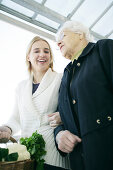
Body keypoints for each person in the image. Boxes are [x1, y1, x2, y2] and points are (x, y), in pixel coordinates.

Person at [0, 36, 70, 170]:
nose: (42, 54)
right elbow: (16, 118)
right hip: (26, 154)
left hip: (52, 154)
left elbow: (70, 108)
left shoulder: (60, 79)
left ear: (50, 57)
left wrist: (63, 116)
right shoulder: (21, 87)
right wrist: (6, 129)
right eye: (36, 51)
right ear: (28, 57)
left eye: (46, 51)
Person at [54, 20, 113, 170]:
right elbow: (58, 117)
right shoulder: (65, 76)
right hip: (80, 163)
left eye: (62, 36)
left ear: (80, 34)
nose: (58, 43)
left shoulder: (104, 48)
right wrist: (59, 134)